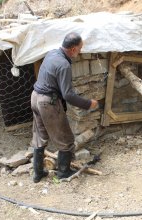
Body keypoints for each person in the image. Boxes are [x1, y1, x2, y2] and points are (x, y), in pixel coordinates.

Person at [30, 32, 98, 183]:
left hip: (35, 97)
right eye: (80, 48)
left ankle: (38, 173)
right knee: (66, 139)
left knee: (40, 137)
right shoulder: (64, 65)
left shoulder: (52, 53)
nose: (80, 51)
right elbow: (67, 94)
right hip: (47, 102)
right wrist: (88, 104)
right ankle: (63, 172)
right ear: (73, 49)